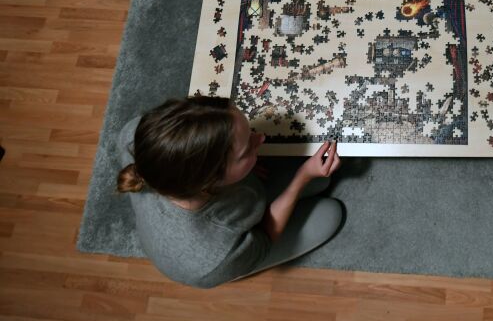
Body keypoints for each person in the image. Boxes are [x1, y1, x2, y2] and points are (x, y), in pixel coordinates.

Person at [116, 96, 343, 288]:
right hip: (233, 252)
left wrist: (246, 163)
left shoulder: (134, 133)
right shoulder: (213, 258)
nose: (261, 138)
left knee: (323, 180)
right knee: (330, 214)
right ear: (211, 180)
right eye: (246, 150)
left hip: (232, 196)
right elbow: (264, 238)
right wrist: (302, 177)